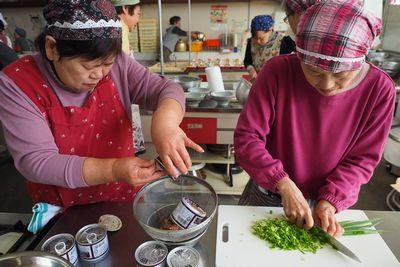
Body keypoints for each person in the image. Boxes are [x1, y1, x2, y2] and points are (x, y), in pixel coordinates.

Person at [0, 0, 203, 208]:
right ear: (52, 48)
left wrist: (165, 124)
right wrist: (114, 170)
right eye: (89, 66)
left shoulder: (118, 65)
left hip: (120, 200)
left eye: (107, 64)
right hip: (60, 210)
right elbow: (37, 161)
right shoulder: (18, 83)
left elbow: (167, 90)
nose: (99, 75)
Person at [234, 0, 395, 237]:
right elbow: (247, 139)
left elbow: (362, 160)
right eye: (314, 72)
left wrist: (331, 199)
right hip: (268, 194)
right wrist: (282, 182)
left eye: (340, 74)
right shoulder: (277, 72)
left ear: (360, 61)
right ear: (299, 57)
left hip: (327, 209)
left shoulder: (379, 89)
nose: (327, 85)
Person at [244, 15, 283, 81]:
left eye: (261, 38)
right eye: (255, 38)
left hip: (275, 84)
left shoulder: (283, 42)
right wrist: (251, 69)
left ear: (270, 30)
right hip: (257, 83)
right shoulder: (251, 41)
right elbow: (247, 61)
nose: (258, 42)